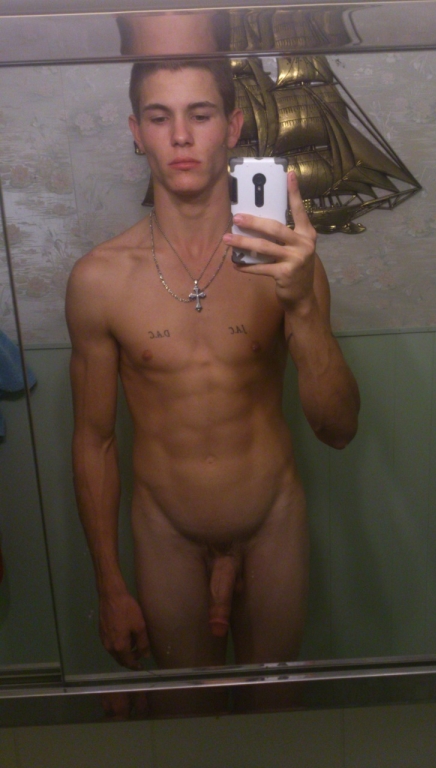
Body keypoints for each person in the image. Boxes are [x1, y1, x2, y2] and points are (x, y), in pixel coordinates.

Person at [65, 58, 360, 686]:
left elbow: (338, 429)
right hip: (165, 532)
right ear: (136, 132)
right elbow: (95, 441)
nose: (180, 136)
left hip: (273, 520)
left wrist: (303, 305)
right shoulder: (100, 279)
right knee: (184, 718)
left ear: (231, 127)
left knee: (272, 716)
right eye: (159, 117)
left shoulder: (288, 264)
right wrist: (109, 586)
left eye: (199, 115)